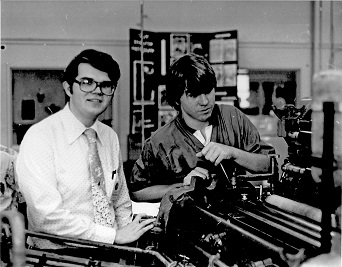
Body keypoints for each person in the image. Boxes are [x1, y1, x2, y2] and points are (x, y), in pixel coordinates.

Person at [16, 49, 155, 250]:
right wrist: (113, 236)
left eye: (106, 85)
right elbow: (45, 216)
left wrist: (127, 243)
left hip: (111, 253)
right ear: (68, 88)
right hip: (59, 257)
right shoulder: (40, 137)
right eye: (87, 82)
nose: (97, 91)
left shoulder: (109, 137)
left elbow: (120, 201)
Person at [129, 53, 275, 202]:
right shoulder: (159, 141)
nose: (205, 101)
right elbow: (136, 191)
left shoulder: (233, 117)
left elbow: (269, 165)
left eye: (208, 90)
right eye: (194, 95)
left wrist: (233, 153)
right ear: (177, 99)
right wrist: (183, 185)